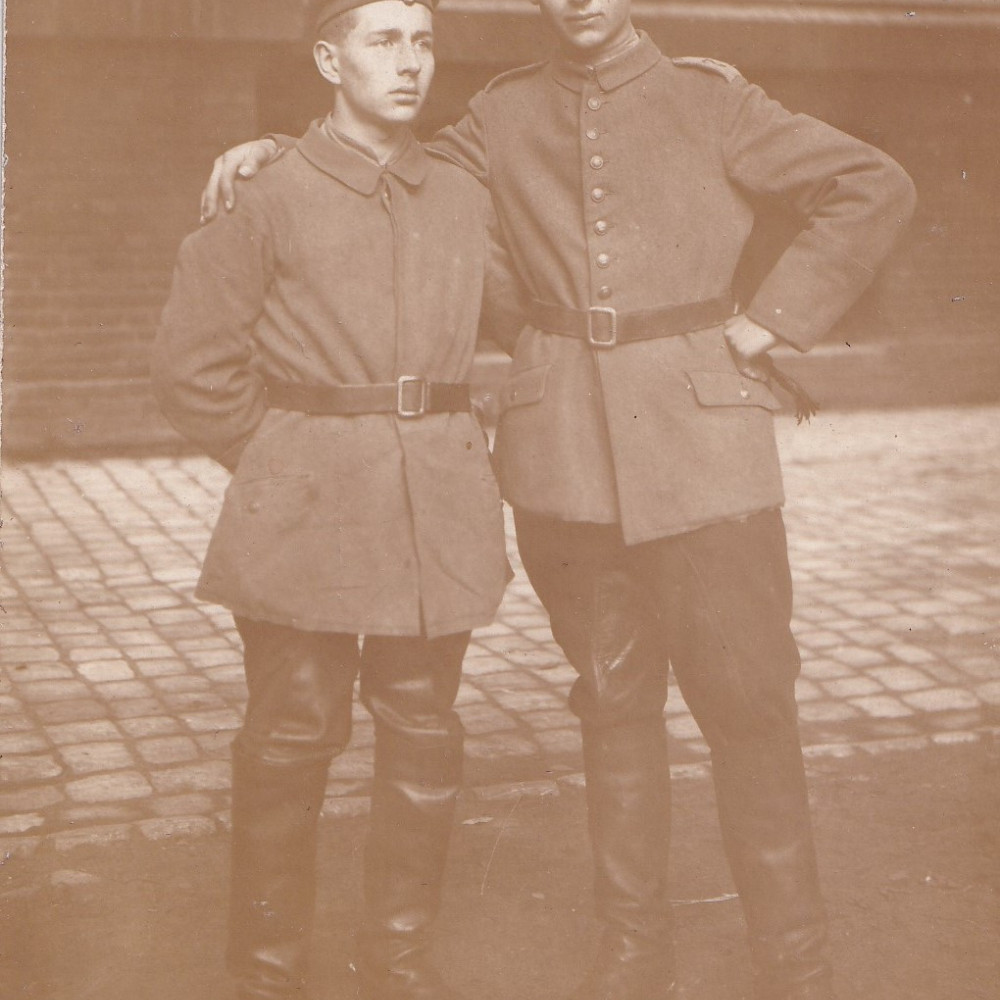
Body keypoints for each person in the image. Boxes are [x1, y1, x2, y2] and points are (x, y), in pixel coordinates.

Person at [199, 2, 917, 998]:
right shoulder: (499, 113)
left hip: (703, 452)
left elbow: (870, 184)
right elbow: (375, 151)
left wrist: (766, 324)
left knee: (748, 705)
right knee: (612, 705)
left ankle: (794, 962)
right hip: (564, 461)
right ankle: (632, 957)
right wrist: (274, 148)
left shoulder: (711, 98)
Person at [152, 2, 514, 998]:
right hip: (307, 503)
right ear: (327, 58)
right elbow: (193, 370)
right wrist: (280, 461)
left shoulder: (459, 190)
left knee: (424, 732)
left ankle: (396, 963)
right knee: (290, 736)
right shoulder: (268, 193)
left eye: (423, 40)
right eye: (381, 40)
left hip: (434, 498)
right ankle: (266, 973)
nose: (409, 63)